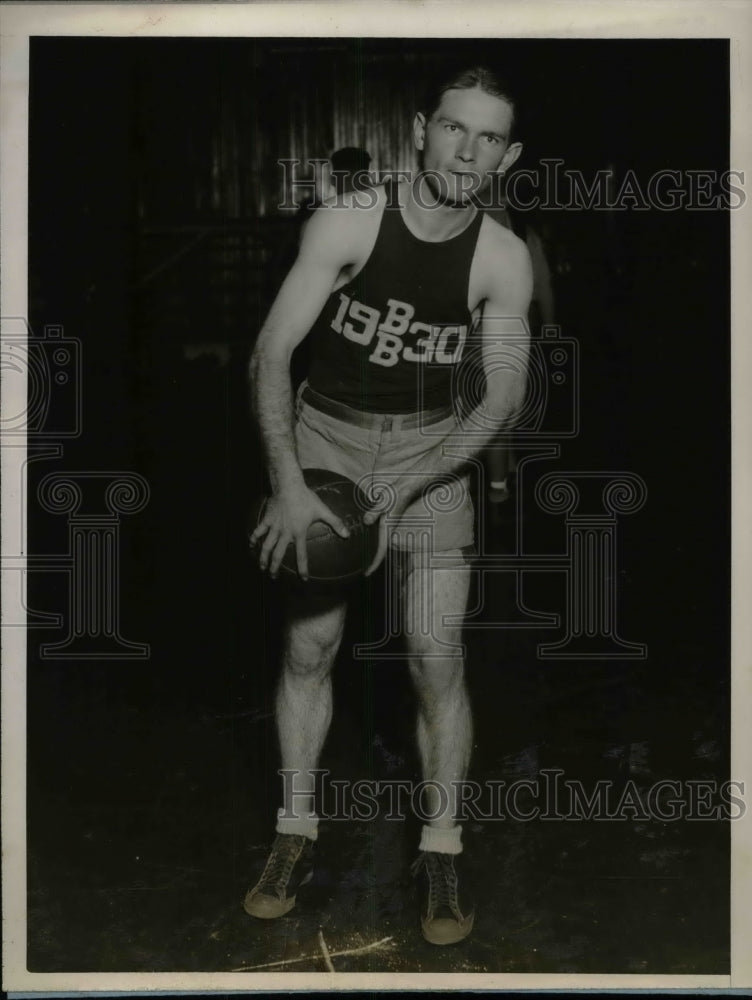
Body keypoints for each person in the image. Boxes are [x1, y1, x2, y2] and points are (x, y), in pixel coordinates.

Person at [246, 65, 532, 946]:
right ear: (420, 130)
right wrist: (291, 485)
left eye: (488, 138)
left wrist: (409, 487)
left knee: (435, 656)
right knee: (312, 645)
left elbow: (501, 401)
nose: (467, 149)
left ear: (506, 156)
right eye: (454, 128)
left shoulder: (500, 255)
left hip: (429, 452)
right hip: (326, 438)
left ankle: (441, 846)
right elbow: (270, 355)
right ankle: (295, 832)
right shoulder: (351, 218)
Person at [481, 201, 555, 505]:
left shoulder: (472, 225)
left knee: (497, 404)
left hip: (491, 329)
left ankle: (499, 478)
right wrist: (550, 327)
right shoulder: (523, 232)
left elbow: (544, 284)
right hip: (511, 328)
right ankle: (499, 479)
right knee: (502, 403)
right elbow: (544, 285)